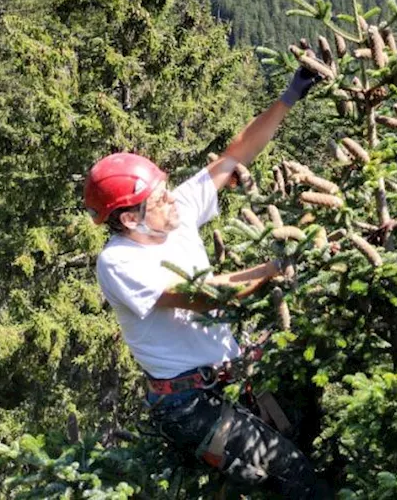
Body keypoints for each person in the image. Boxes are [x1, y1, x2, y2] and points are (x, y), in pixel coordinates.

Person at [84, 66, 332, 499]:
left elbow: (235, 155)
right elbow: (202, 296)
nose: (171, 199)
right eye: (159, 198)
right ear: (129, 218)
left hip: (231, 375)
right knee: (293, 475)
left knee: (307, 426)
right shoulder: (119, 262)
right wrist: (273, 266)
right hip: (187, 405)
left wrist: (291, 93)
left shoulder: (171, 216)